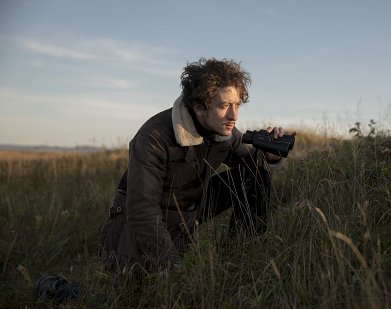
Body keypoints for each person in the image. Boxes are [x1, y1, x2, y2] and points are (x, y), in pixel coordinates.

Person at [99, 58, 294, 276]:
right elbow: (141, 208)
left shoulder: (225, 133)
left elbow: (252, 162)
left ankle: (243, 253)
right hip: (141, 223)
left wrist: (269, 154)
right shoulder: (153, 137)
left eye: (237, 105)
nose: (234, 116)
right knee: (140, 289)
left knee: (255, 176)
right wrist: (171, 265)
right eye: (223, 106)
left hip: (188, 211)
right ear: (199, 107)